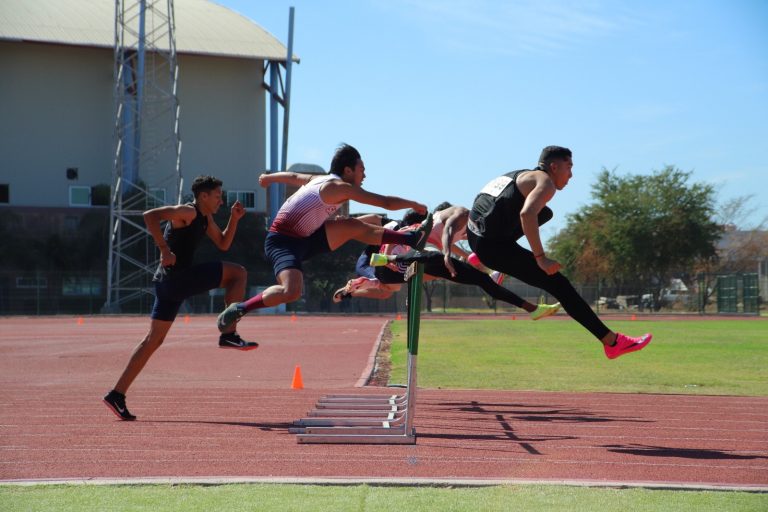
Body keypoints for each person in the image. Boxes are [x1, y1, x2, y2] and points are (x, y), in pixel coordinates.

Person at [216, 143, 432, 331]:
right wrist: (414, 204)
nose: (364, 175)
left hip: (309, 236)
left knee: (352, 225)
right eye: (361, 170)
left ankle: (411, 238)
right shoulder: (337, 187)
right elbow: (385, 202)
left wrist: (269, 178)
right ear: (348, 170)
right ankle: (241, 308)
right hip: (283, 241)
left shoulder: (320, 180)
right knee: (291, 291)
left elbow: (293, 177)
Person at [466, 146, 652, 359]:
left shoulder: (519, 175)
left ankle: (491, 264)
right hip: (492, 245)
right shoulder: (545, 183)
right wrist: (540, 258)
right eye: (569, 167)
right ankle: (612, 342)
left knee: (544, 213)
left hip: (476, 236)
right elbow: (527, 215)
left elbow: (488, 202)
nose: (571, 175)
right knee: (559, 284)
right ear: (554, 167)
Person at [103, 175, 256, 421]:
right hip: (177, 279)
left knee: (152, 341)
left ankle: (116, 394)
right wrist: (164, 249)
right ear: (203, 196)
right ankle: (228, 334)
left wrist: (234, 219)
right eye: (217, 196)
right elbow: (149, 216)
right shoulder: (188, 211)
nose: (221, 200)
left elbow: (224, 243)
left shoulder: (204, 218)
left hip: (167, 284)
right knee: (238, 273)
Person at [335, 207, 562, 320]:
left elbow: (456, 247)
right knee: (433, 259)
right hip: (390, 259)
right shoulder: (462, 212)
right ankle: (383, 268)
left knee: (482, 281)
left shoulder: (473, 235)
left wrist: (482, 265)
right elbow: (448, 232)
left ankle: (531, 309)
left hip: (409, 263)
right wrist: (447, 254)